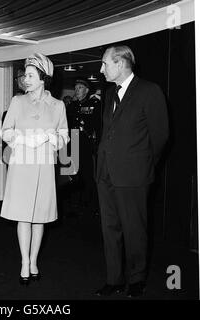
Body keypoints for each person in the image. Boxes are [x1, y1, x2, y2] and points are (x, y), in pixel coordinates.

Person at [95, 45, 169, 297]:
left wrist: (142, 165)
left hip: (134, 175)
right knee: (110, 229)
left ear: (120, 63)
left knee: (134, 229)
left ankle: (137, 279)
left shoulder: (149, 91)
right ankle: (114, 279)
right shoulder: (108, 94)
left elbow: (160, 137)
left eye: (105, 63)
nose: (101, 68)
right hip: (105, 174)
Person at [0, 53, 69, 286]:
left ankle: (33, 261)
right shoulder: (17, 102)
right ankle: (23, 262)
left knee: (40, 217)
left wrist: (52, 139)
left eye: (30, 75)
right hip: (22, 166)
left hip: (44, 166)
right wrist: (24, 139)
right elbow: (6, 131)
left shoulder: (58, 106)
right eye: (25, 75)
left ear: (43, 78)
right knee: (23, 217)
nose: (25, 80)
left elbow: (64, 136)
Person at [66, 79, 101, 215]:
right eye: (75, 88)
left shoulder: (93, 104)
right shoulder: (71, 106)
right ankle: (74, 203)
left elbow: (97, 126)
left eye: (80, 87)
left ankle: (90, 203)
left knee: (87, 175)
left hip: (86, 143)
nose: (77, 90)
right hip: (72, 141)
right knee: (73, 174)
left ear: (87, 90)